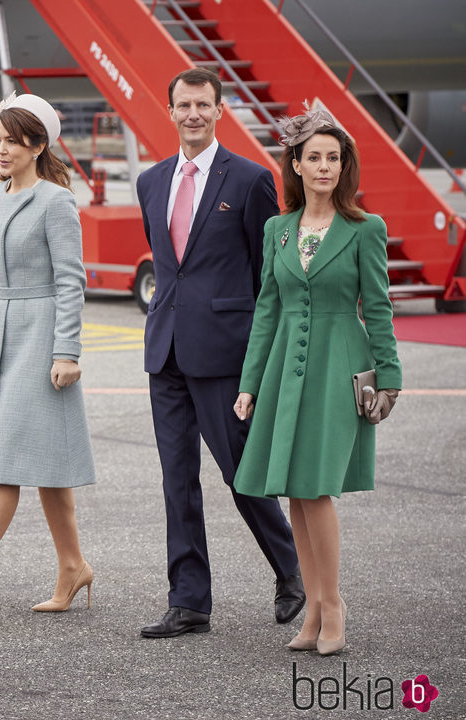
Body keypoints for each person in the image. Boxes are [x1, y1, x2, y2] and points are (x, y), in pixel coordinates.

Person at [134, 68, 304, 639]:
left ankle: (291, 571)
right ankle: (189, 601)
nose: (193, 115)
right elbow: (168, 267)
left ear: (219, 110)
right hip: (167, 353)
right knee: (176, 478)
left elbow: (267, 278)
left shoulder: (251, 179)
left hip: (226, 355)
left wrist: (263, 358)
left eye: (203, 105)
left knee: (241, 471)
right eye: (183, 105)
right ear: (171, 110)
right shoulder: (151, 181)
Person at [233, 108, 401, 655]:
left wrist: (390, 376)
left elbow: (377, 308)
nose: (324, 166)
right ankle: (313, 608)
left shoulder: (364, 228)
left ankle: (332, 607)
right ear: (297, 165)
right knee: (295, 494)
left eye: (334, 158)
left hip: (339, 365)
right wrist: (249, 383)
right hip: (285, 367)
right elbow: (266, 309)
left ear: (343, 166)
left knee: (316, 489)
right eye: (315, 158)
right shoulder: (276, 230)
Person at [0, 92, 95, 621]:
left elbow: (72, 280)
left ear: (38, 144)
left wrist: (67, 350)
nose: (1, 149)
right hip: (5, 340)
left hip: (43, 335)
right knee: (49, 467)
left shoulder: (56, 201)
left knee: (4, 462)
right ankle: (73, 565)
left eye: (11, 141)